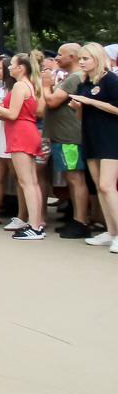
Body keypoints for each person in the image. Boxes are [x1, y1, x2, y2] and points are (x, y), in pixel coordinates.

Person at [0, 53, 46, 240]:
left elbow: (13, 114)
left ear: (21, 68)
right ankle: (36, 224)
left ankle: (34, 226)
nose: (8, 67)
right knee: (30, 181)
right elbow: (16, 113)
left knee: (27, 182)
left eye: (12, 64)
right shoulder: (28, 85)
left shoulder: (20, 85)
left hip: (20, 133)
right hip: (25, 131)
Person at [70, 43, 118, 250]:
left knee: (108, 185)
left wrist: (90, 102)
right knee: (99, 186)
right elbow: (83, 117)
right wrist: (79, 107)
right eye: (80, 59)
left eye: (86, 59)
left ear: (97, 59)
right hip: (90, 136)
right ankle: (111, 231)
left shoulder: (111, 80)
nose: (81, 62)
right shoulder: (84, 84)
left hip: (111, 137)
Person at [41, 44, 90, 238]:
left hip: (69, 137)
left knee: (75, 178)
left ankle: (81, 221)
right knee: (72, 179)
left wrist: (46, 86)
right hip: (64, 136)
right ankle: (76, 218)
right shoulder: (73, 77)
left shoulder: (74, 78)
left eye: (60, 55)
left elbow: (52, 101)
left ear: (72, 57)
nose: (57, 58)